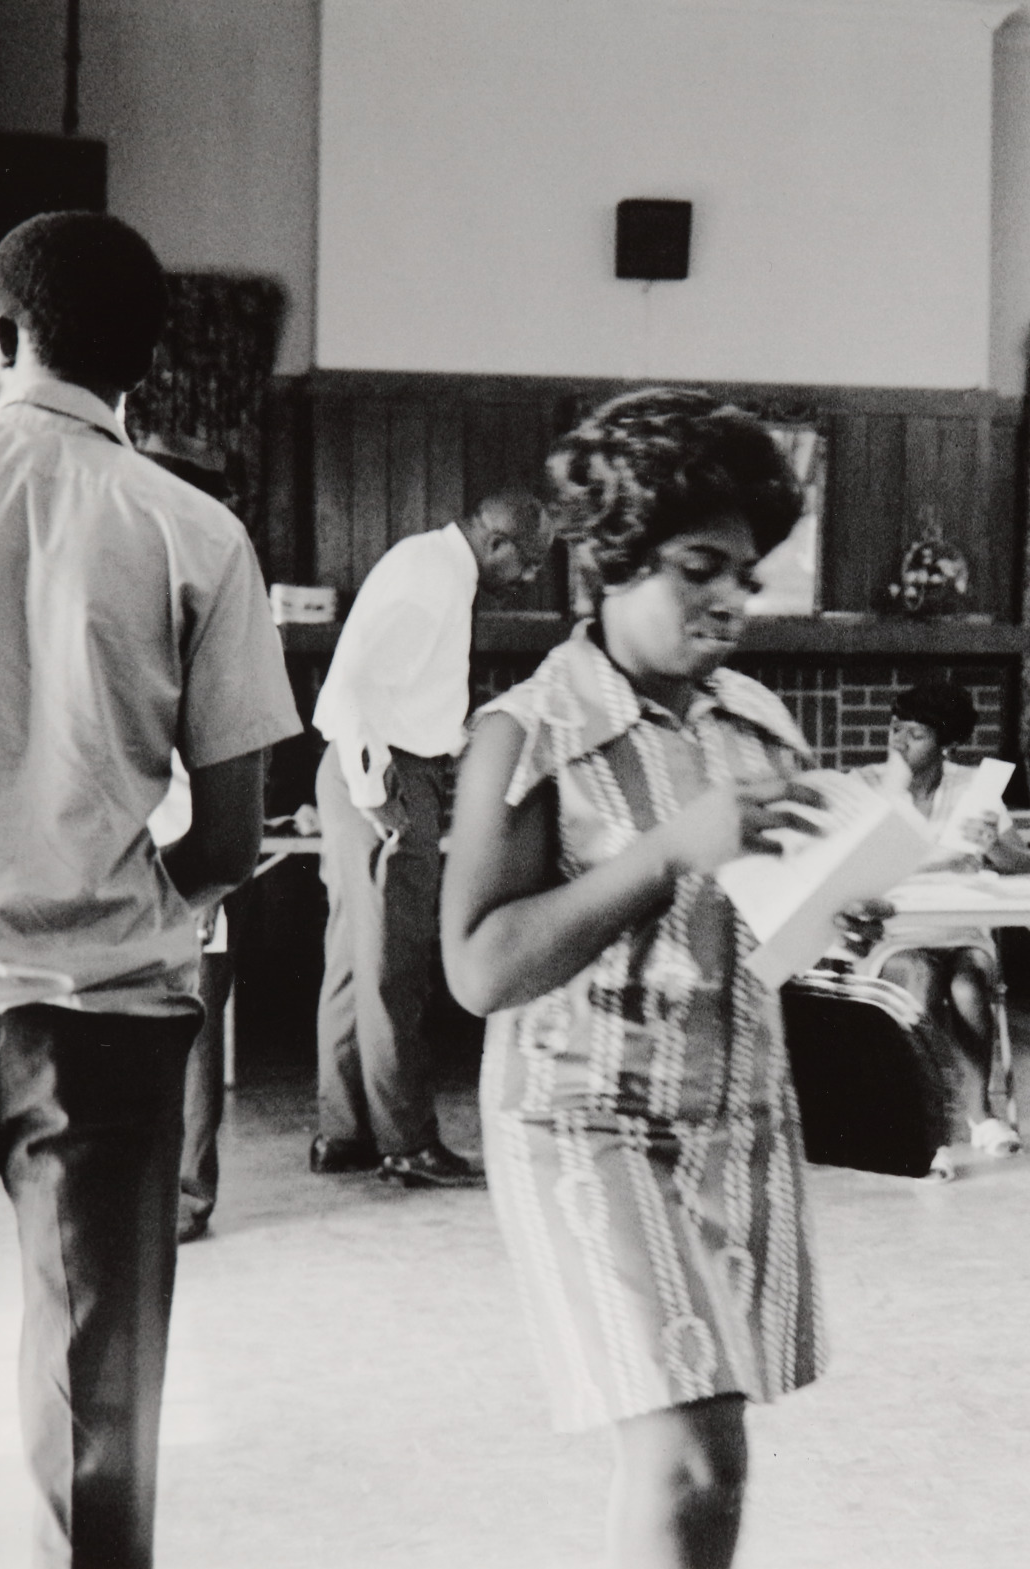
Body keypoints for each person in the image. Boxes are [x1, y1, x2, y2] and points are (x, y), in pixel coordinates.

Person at [0, 212, 300, 1569]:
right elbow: (238, 831)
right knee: (97, 1409)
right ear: (144, 361)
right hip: (106, 1011)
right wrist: (142, 897)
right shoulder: (194, 531)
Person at [442, 389, 826, 1569]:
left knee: (711, 1461)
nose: (732, 599)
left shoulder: (756, 725)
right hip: (586, 1124)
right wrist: (666, 854)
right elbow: (480, 965)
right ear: (613, 560)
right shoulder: (528, 730)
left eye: (747, 575)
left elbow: (777, 936)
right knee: (687, 1454)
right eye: (700, 567)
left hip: (739, 1123)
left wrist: (854, 895)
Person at [310, 486, 552, 1187]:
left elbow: (402, 690)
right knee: (397, 963)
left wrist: (460, 732)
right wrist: (375, 790)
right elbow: (346, 688)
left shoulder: (433, 566)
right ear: (497, 541)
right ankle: (406, 1141)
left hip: (377, 766)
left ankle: (346, 1132)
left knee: (354, 961)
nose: (529, 576)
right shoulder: (433, 579)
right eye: (529, 561)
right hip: (383, 773)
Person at [860, 681, 1030, 1178]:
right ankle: (923, 1127)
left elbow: (1023, 864)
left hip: (960, 929)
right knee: (919, 978)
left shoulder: (973, 789)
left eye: (914, 734)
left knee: (970, 982)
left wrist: (993, 848)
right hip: (893, 932)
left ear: (946, 744)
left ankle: (980, 1114)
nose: (898, 742)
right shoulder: (870, 784)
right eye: (894, 729)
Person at [141, 435, 240, 1244]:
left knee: (194, 1035)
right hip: (132, 859)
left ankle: (185, 1196)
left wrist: (206, 886)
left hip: (182, 858)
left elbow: (229, 775)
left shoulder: (207, 602)